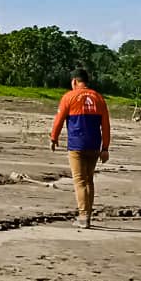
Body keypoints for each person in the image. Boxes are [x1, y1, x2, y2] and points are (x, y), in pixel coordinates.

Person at [50, 69, 111, 229]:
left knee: (79, 181)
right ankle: (87, 215)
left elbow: (59, 120)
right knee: (89, 180)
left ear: (74, 82)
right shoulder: (99, 98)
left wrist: (53, 138)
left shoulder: (69, 97)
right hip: (94, 145)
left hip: (76, 145)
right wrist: (105, 147)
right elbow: (105, 125)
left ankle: (83, 217)